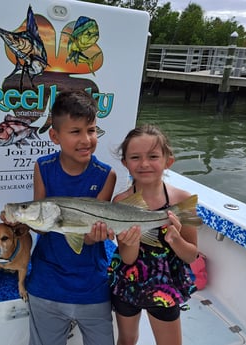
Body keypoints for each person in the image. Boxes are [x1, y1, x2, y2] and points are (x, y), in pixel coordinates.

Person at [22, 90, 116, 345]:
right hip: (46, 281)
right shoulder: (42, 167)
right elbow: (41, 228)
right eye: (75, 132)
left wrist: (91, 237)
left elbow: (89, 237)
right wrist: (23, 221)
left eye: (92, 130)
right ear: (54, 135)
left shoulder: (106, 175)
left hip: (92, 284)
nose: (86, 139)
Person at [108, 124, 198, 345]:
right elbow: (128, 259)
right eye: (135, 157)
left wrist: (175, 239)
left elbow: (191, 255)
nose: (144, 164)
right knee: (127, 339)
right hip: (128, 282)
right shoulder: (121, 202)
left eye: (153, 156)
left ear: (168, 161)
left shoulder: (182, 200)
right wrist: (131, 242)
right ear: (125, 164)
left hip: (165, 284)